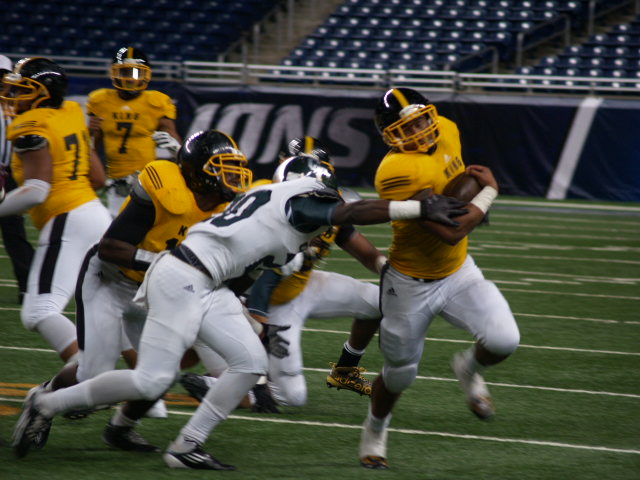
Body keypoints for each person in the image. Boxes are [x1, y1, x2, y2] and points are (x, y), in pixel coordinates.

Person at [13, 154, 467, 469]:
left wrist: (250, 315)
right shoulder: (304, 198)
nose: (333, 200)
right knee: (152, 379)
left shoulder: (270, 200)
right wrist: (417, 207)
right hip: (183, 276)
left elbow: (247, 273)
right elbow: (354, 213)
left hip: (207, 283)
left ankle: (187, 446)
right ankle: (46, 403)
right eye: (329, 192)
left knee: (249, 363)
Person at [40, 130, 237, 450]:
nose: (231, 177)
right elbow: (111, 247)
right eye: (220, 168)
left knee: (162, 371)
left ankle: (121, 429)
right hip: (110, 278)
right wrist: (168, 262)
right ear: (197, 172)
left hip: (153, 287)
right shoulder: (166, 188)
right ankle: (42, 398)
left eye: (233, 167)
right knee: (92, 374)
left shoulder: (224, 207)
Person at [358, 87, 520, 470]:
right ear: (389, 136)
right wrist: (488, 193)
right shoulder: (396, 170)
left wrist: (468, 199)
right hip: (409, 283)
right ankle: (375, 428)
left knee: (504, 340)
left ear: (431, 115)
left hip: (458, 271)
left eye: (420, 121)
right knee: (399, 375)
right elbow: (450, 231)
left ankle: (468, 368)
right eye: (406, 128)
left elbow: (456, 192)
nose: (418, 132)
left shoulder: (447, 127)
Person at [0, 57, 111, 363]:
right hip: (96, 214)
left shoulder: (31, 126)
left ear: (43, 93)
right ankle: (143, 389)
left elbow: (37, 191)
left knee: (38, 311)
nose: (14, 96)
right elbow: (98, 178)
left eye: (23, 90)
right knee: (105, 309)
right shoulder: (72, 111)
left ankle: (86, 372)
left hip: (68, 218)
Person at [88, 46, 181, 217]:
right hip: (116, 182)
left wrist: (178, 153)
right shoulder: (100, 101)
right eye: (125, 72)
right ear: (114, 73)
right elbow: (92, 146)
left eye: (136, 73)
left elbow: (173, 139)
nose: (130, 79)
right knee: (115, 227)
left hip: (147, 179)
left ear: (146, 74)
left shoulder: (156, 102)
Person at [0, 54, 34, 304]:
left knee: (14, 230)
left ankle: (27, 287)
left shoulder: (19, 103)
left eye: (3, 76)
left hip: (10, 173)